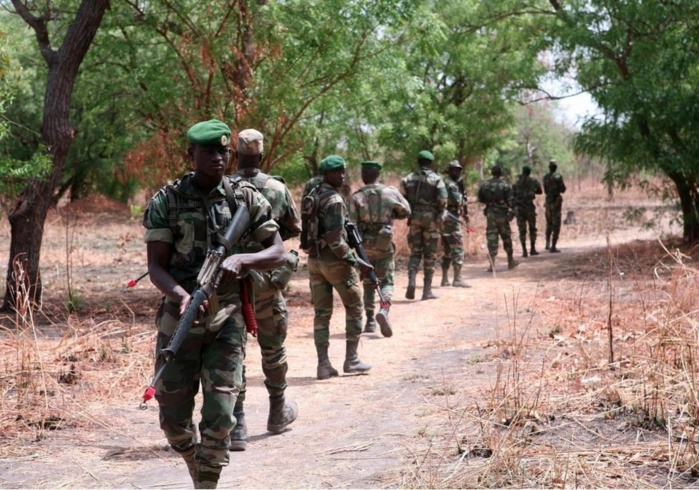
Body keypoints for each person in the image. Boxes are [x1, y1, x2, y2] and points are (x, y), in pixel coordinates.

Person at [143, 120, 286, 488]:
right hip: (179, 318)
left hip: (227, 318)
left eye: (224, 151)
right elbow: (156, 267)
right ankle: (194, 458)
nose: (218, 158)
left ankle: (207, 480)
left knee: (222, 416)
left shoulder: (245, 198)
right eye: (209, 151)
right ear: (190, 154)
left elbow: (278, 250)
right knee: (173, 423)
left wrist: (242, 260)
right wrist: (183, 295)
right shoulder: (167, 200)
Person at [229, 129, 301, 451]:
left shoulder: (223, 188)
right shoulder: (275, 188)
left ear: (235, 157)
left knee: (233, 351)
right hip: (267, 279)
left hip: (230, 280)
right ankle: (277, 412)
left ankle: (238, 424)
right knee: (273, 348)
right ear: (260, 157)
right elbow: (291, 228)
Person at [305, 155, 374, 379]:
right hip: (334, 262)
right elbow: (336, 241)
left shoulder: (313, 194)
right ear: (326, 174)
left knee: (321, 313)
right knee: (354, 305)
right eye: (336, 172)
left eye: (343, 171)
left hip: (314, 261)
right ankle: (352, 360)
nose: (341, 175)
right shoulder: (334, 200)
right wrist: (357, 262)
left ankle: (323, 365)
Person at [348, 160, 411, 336]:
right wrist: (391, 214)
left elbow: (350, 223)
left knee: (368, 282)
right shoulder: (390, 192)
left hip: (364, 246)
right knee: (387, 282)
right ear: (378, 174)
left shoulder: (356, 197)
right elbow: (406, 211)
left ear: (364, 175)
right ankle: (384, 310)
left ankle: (369, 321)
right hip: (384, 243)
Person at [400, 150, 447, 300]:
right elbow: (442, 201)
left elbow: (401, 200)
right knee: (430, 254)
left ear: (418, 162)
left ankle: (412, 281)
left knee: (415, 253)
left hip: (414, 218)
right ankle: (426, 291)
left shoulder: (407, 179)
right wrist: (439, 213)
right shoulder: (437, 179)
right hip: (431, 220)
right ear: (431, 163)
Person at [477, 165, 518, 272]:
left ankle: (492, 264)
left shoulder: (485, 185)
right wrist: (513, 212)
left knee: (492, 238)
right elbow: (511, 201)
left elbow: (480, 198)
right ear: (500, 173)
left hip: (490, 215)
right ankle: (510, 261)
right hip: (502, 215)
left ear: (491, 173)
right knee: (506, 237)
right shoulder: (504, 185)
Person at [440, 160, 471, 288]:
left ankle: (445, 278)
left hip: (443, 219)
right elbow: (458, 201)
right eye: (455, 170)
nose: (457, 172)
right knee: (458, 248)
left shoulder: (444, 182)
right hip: (451, 220)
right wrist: (463, 196)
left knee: (447, 249)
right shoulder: (451, 185)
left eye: (458, 170)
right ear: (450, 170)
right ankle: (457, 278)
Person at [512, 165, 543, 257]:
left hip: (520, 208)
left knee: (522, 230)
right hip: (529, 207)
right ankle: (532, 249)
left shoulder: (516, 182)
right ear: (529, 172)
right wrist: (532, 191)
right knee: (532, 228)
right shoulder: (533, 181)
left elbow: (512, 195)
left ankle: (524, 251)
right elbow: (540, 191)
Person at [543, 159, 567, 253]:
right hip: (556, 203)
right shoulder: (558, 176)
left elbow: (545, 190)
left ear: (549, 167)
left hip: (548, 202)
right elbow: (563, 189)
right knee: (556, 225)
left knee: (549, 223)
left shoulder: (545, 177)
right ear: (556, 167)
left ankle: (547, 243)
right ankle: (553, 246)